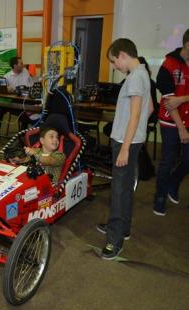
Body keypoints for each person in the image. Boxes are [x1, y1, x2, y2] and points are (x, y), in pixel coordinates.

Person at [97, 38, 151, 260]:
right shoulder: (142, 73)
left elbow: (137, 113)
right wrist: (138, 134)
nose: (114, 66)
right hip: (132, 139)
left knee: (119, 190)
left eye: (113, 61)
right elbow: (149, 109)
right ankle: (122, 228)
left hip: (125, 141)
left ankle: (114, 240)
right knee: (126, 186)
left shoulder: (136, 77)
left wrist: (126, 147)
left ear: (122, 55)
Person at [153, 28, 189, 215]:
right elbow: (169, 102)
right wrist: (181, 128)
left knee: (187, 159)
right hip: (169, 121)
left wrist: (183, 99)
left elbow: (177, 99)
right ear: (187, 45)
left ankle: (173, 183)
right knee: (168, 160)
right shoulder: (168, 65)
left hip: (187, 118)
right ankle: (159, 196)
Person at [0, 56, 35, 137]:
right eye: (21, 63)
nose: (23, 65)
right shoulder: (7, 76)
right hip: (14, 102)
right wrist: (7, 89)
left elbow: (29, 86)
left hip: (26, 102)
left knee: (25, 113)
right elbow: (3, 89)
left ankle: (23, 136)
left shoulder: (25, 72)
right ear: (15, 66)